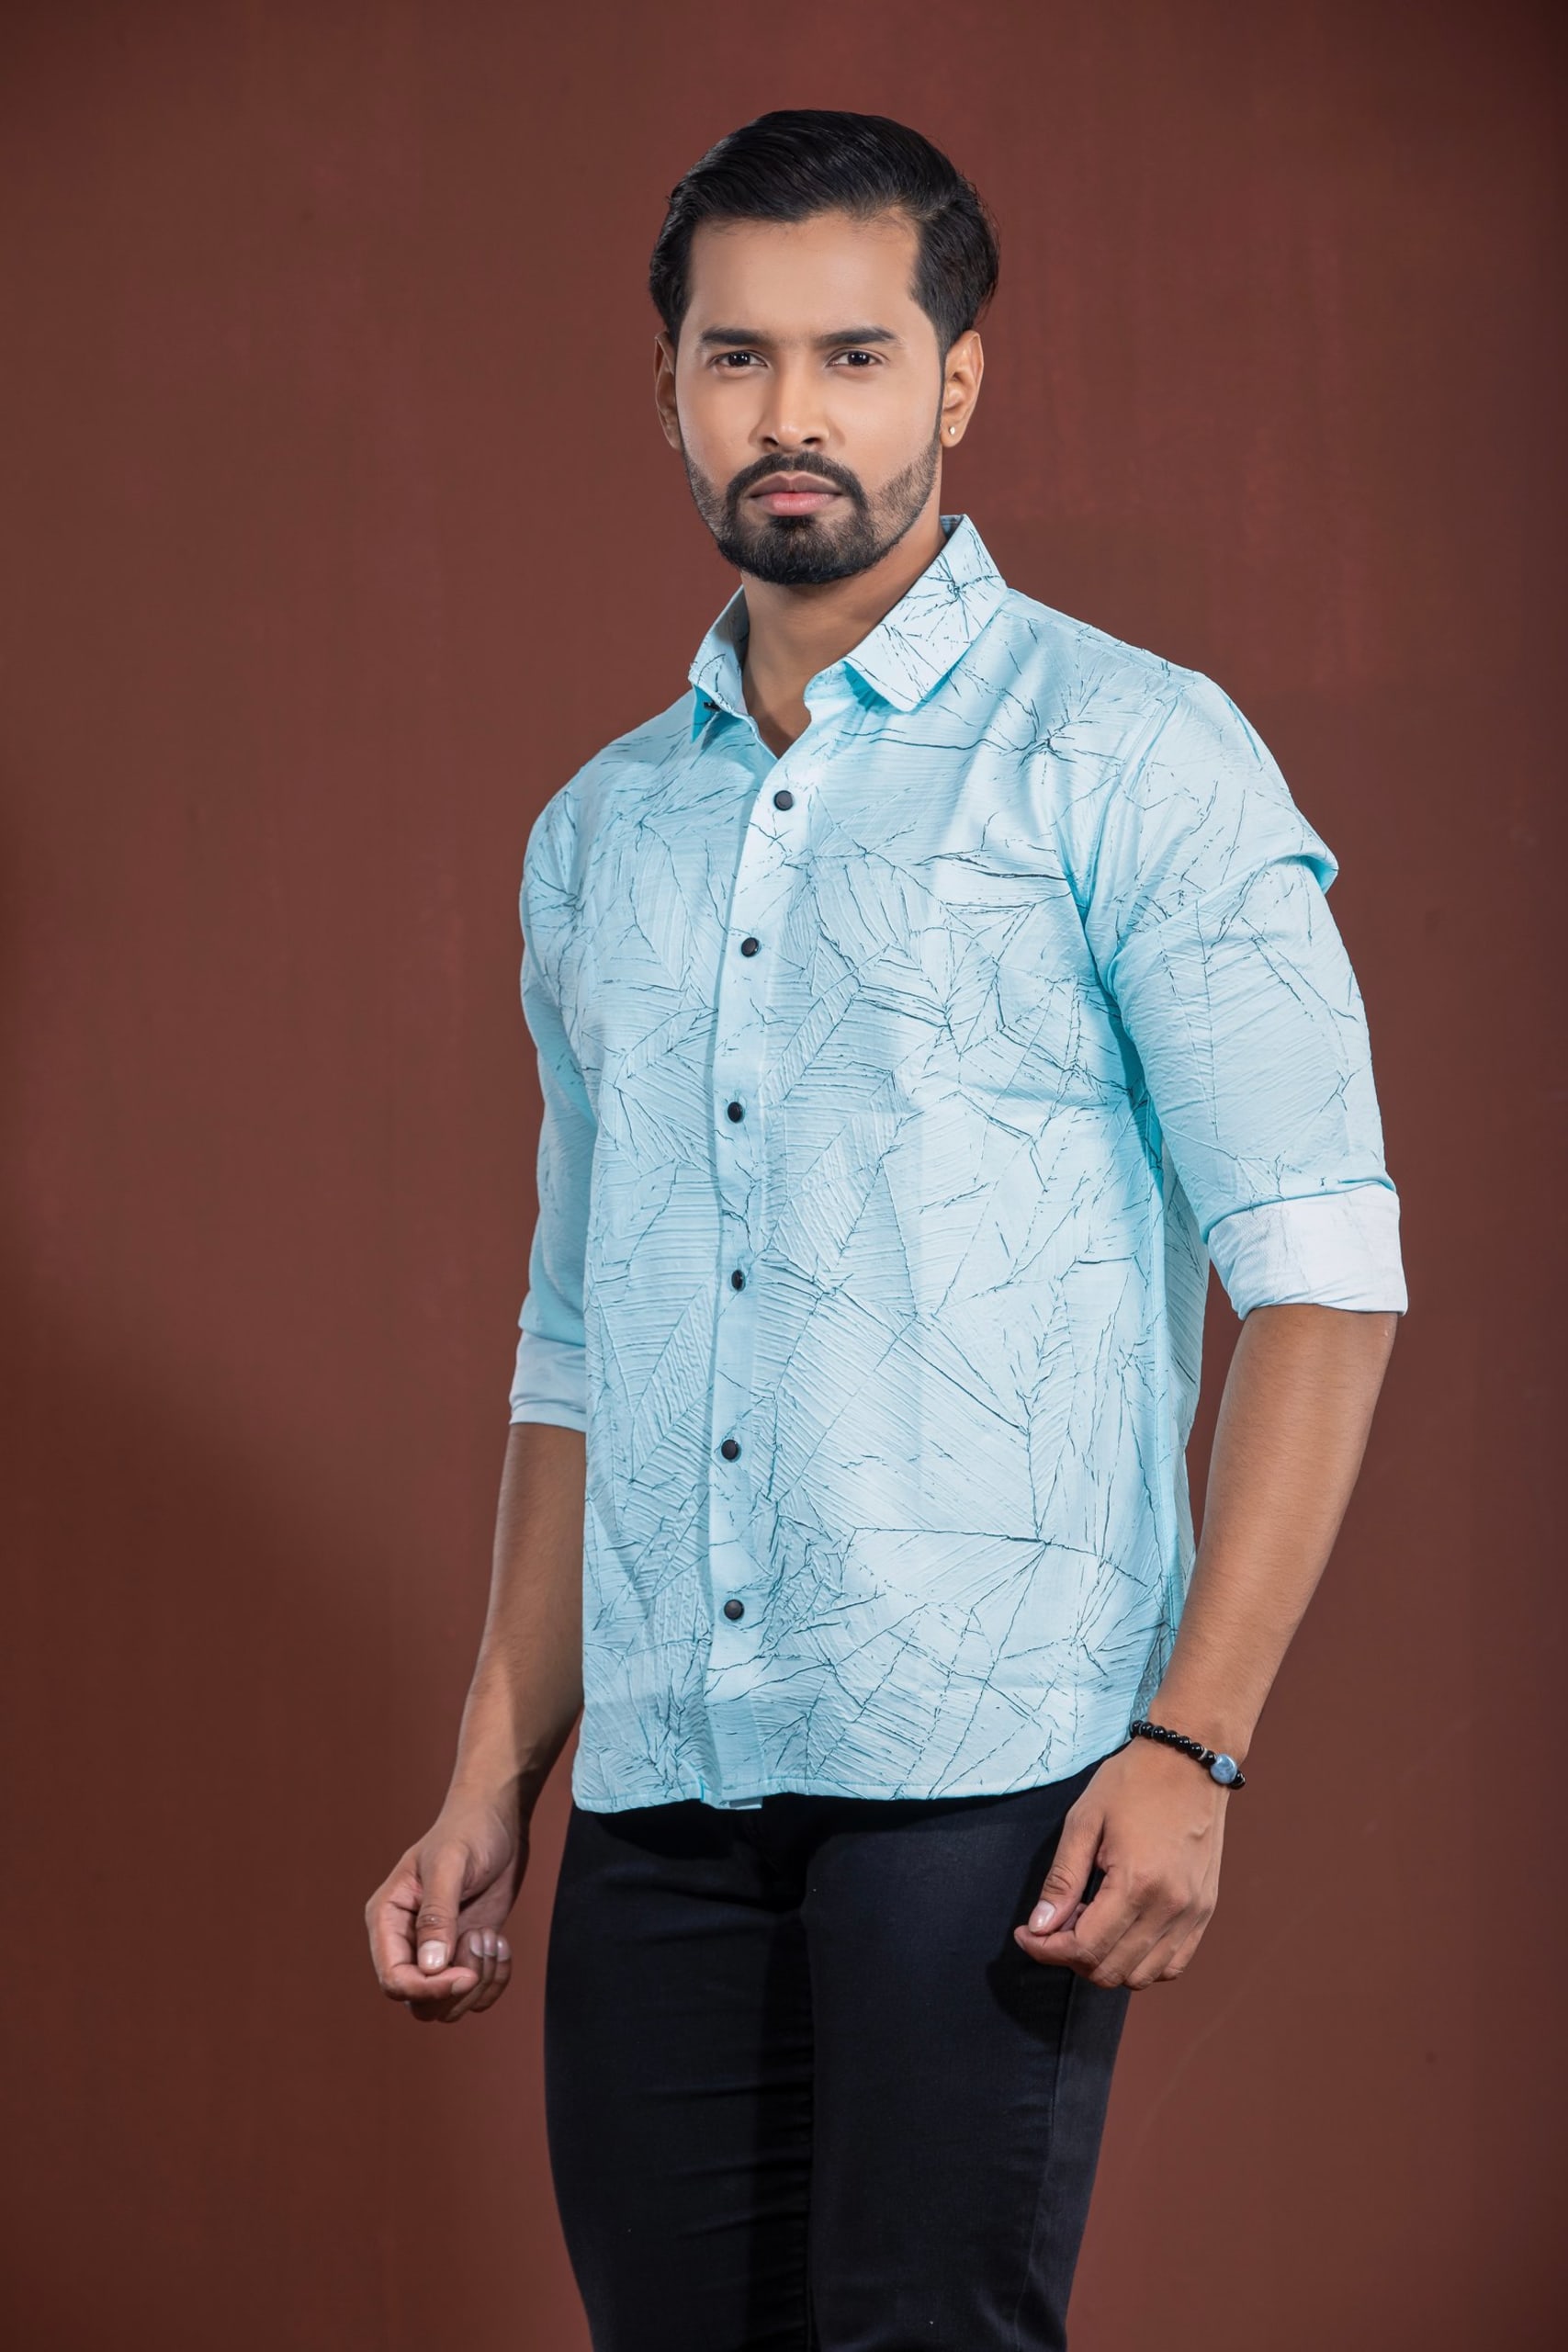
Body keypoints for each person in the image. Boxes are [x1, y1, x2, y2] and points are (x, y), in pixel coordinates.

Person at [365, 107, 1406, 2350]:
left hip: (996, 1772)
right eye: (734, 355)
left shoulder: (1130, 756)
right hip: (663, 1778)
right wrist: (488, 1777)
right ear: (665, 385)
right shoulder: (599, 835)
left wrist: (1194, 1739)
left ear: (955, 378)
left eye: (852, 353)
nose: (790, 412)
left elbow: (1318, 1275)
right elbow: (582, 1340)